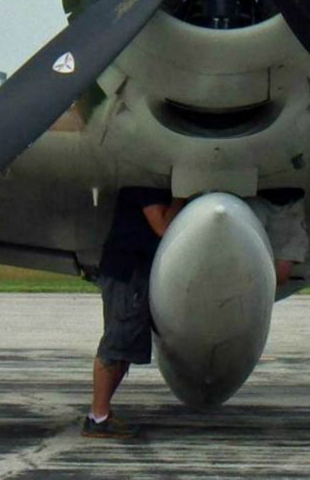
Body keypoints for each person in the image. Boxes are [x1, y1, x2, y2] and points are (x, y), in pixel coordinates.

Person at [84, 186, 182, 439]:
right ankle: (98, 417)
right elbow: (161, 226)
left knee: (125, 345)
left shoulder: (149, 181)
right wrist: (183, 196)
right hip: (127, 273)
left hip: (133, 273)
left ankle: (100, 414)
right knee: (117, 341)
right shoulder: (145, 183)